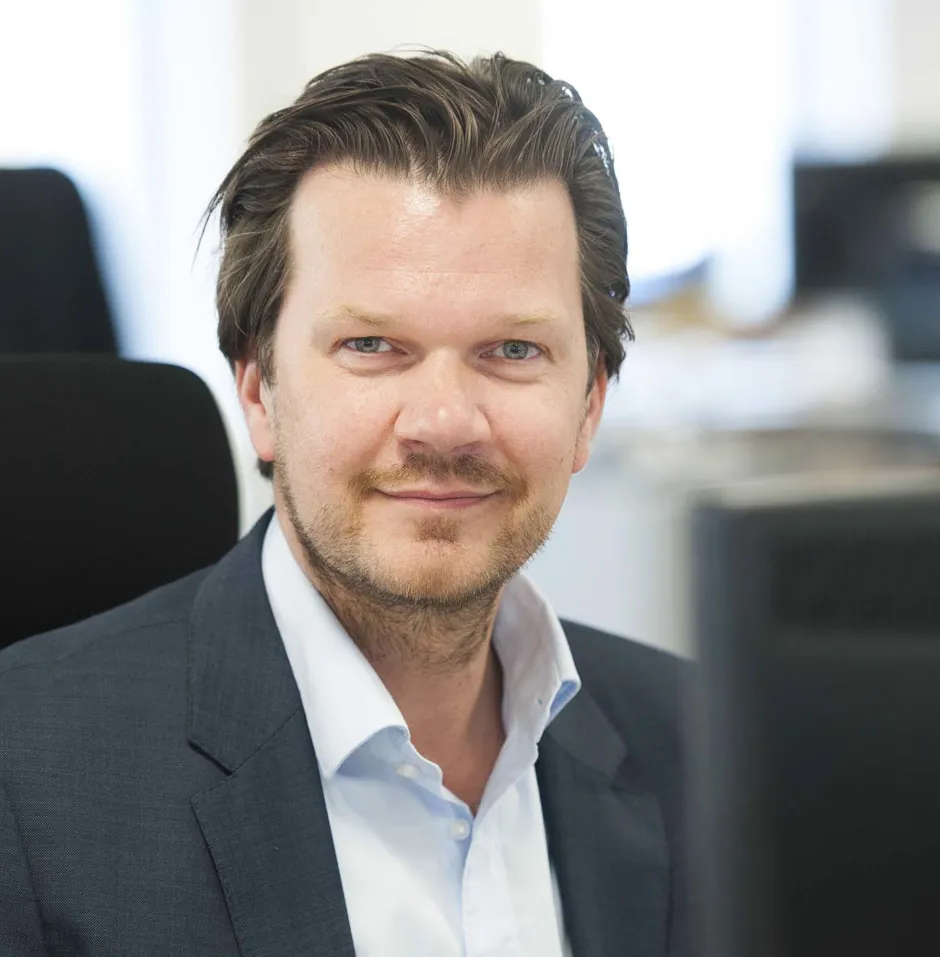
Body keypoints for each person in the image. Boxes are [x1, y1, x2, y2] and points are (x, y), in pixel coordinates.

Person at [0, 51, 688, 956]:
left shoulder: (709, 743)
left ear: (589, 405)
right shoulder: (24, 775)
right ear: (259, 392)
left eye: (513, 351)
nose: (445, 422)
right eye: (373, 344)